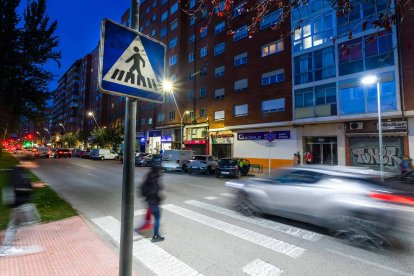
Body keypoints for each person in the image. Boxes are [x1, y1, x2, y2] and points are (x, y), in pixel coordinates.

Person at [0, 162, 42, 257]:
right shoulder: (17, 172)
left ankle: (6, 247)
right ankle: (6, 247)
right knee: (33, 220)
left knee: (13, 225)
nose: (35, 166)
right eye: (33, 164)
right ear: (26, 162)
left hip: (17, 202)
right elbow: (19, 187)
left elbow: (21, 185)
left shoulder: (19, 170)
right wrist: (33, 186)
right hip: (19, 202)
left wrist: (31, 185)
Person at [136, 165, 164, 242]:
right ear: (157, 171)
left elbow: (142, 188)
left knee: (149, 214)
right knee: (157, 218)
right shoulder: (154, 179)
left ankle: (142, 226)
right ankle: (155, 236)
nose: (161, 172)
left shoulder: (148, 177)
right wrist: (158, 198)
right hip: (153, 202)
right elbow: (154, 192)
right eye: (160, 170)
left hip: (149, 201)